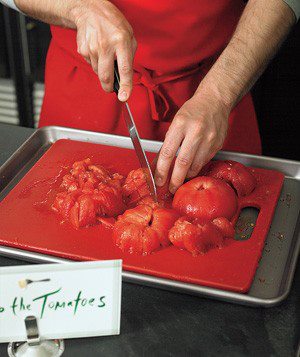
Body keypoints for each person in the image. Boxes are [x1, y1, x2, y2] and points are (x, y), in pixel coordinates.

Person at [1, 0, 299, 193]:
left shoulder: (218, 93)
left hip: (216, 88)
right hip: (87, 88)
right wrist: (78, 7)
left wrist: (218, 95)